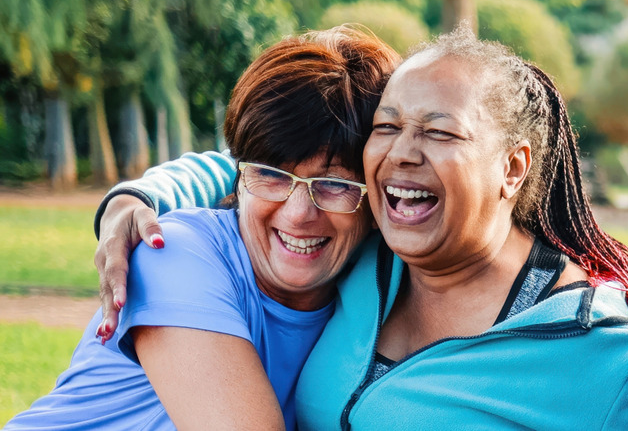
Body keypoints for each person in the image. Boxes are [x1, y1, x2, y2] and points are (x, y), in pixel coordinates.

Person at [92, 26, 628, 429]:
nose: (402, 154)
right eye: (386, 126)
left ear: (513, 167)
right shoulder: (365, 247)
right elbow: (274, 162)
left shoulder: (600, 359)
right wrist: (135, 196)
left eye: (440, 133)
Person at [4, 25, 400, 431]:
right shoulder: (173, 252)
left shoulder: (376, 284)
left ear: (375, 198)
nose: (298, 213)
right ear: (242, 177)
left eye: (334, 184)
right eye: (272, 175)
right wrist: (131, 197)